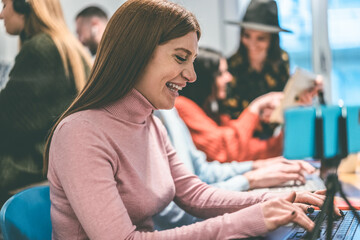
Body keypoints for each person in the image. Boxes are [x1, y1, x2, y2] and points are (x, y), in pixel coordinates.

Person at [44, 0, 338, 239]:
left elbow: (194, 194)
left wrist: (273, 201)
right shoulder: (79, 134)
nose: (192, 76)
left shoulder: (151, 123)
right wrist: (244, 222)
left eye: (193, 60)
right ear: (136, 54)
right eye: (180, 58)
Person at [153, 108, 316, 230]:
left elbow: (201, 173)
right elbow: (178, 213)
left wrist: (256, 169)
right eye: (180, 60)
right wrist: (251, 185)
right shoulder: (162, 112)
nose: (191, 76)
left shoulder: (168, 111)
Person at [0, 0, 92, 206]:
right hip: (57, 166)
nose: (1, 15)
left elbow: (6, 120)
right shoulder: (69, 47)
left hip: (30, 169)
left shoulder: (40, 48)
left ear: (24, 5)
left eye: (4, 5)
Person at [176, 47, 283, 162]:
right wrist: (255, 108)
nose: (229, 78)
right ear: (204, 78)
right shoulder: (182, 106)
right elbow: (225, 151)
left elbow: (243, 151)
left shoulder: (211, 111)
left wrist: (284, 135)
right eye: (221, 73)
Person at [223, 0, 292, 139]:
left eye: (260, 38)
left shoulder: (282, 60)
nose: (252, 44)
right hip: (242, 139)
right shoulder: (230, 67)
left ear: (272, 40)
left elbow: (286, 98)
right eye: (247, 36)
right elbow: (228, 114)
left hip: (276, 137)